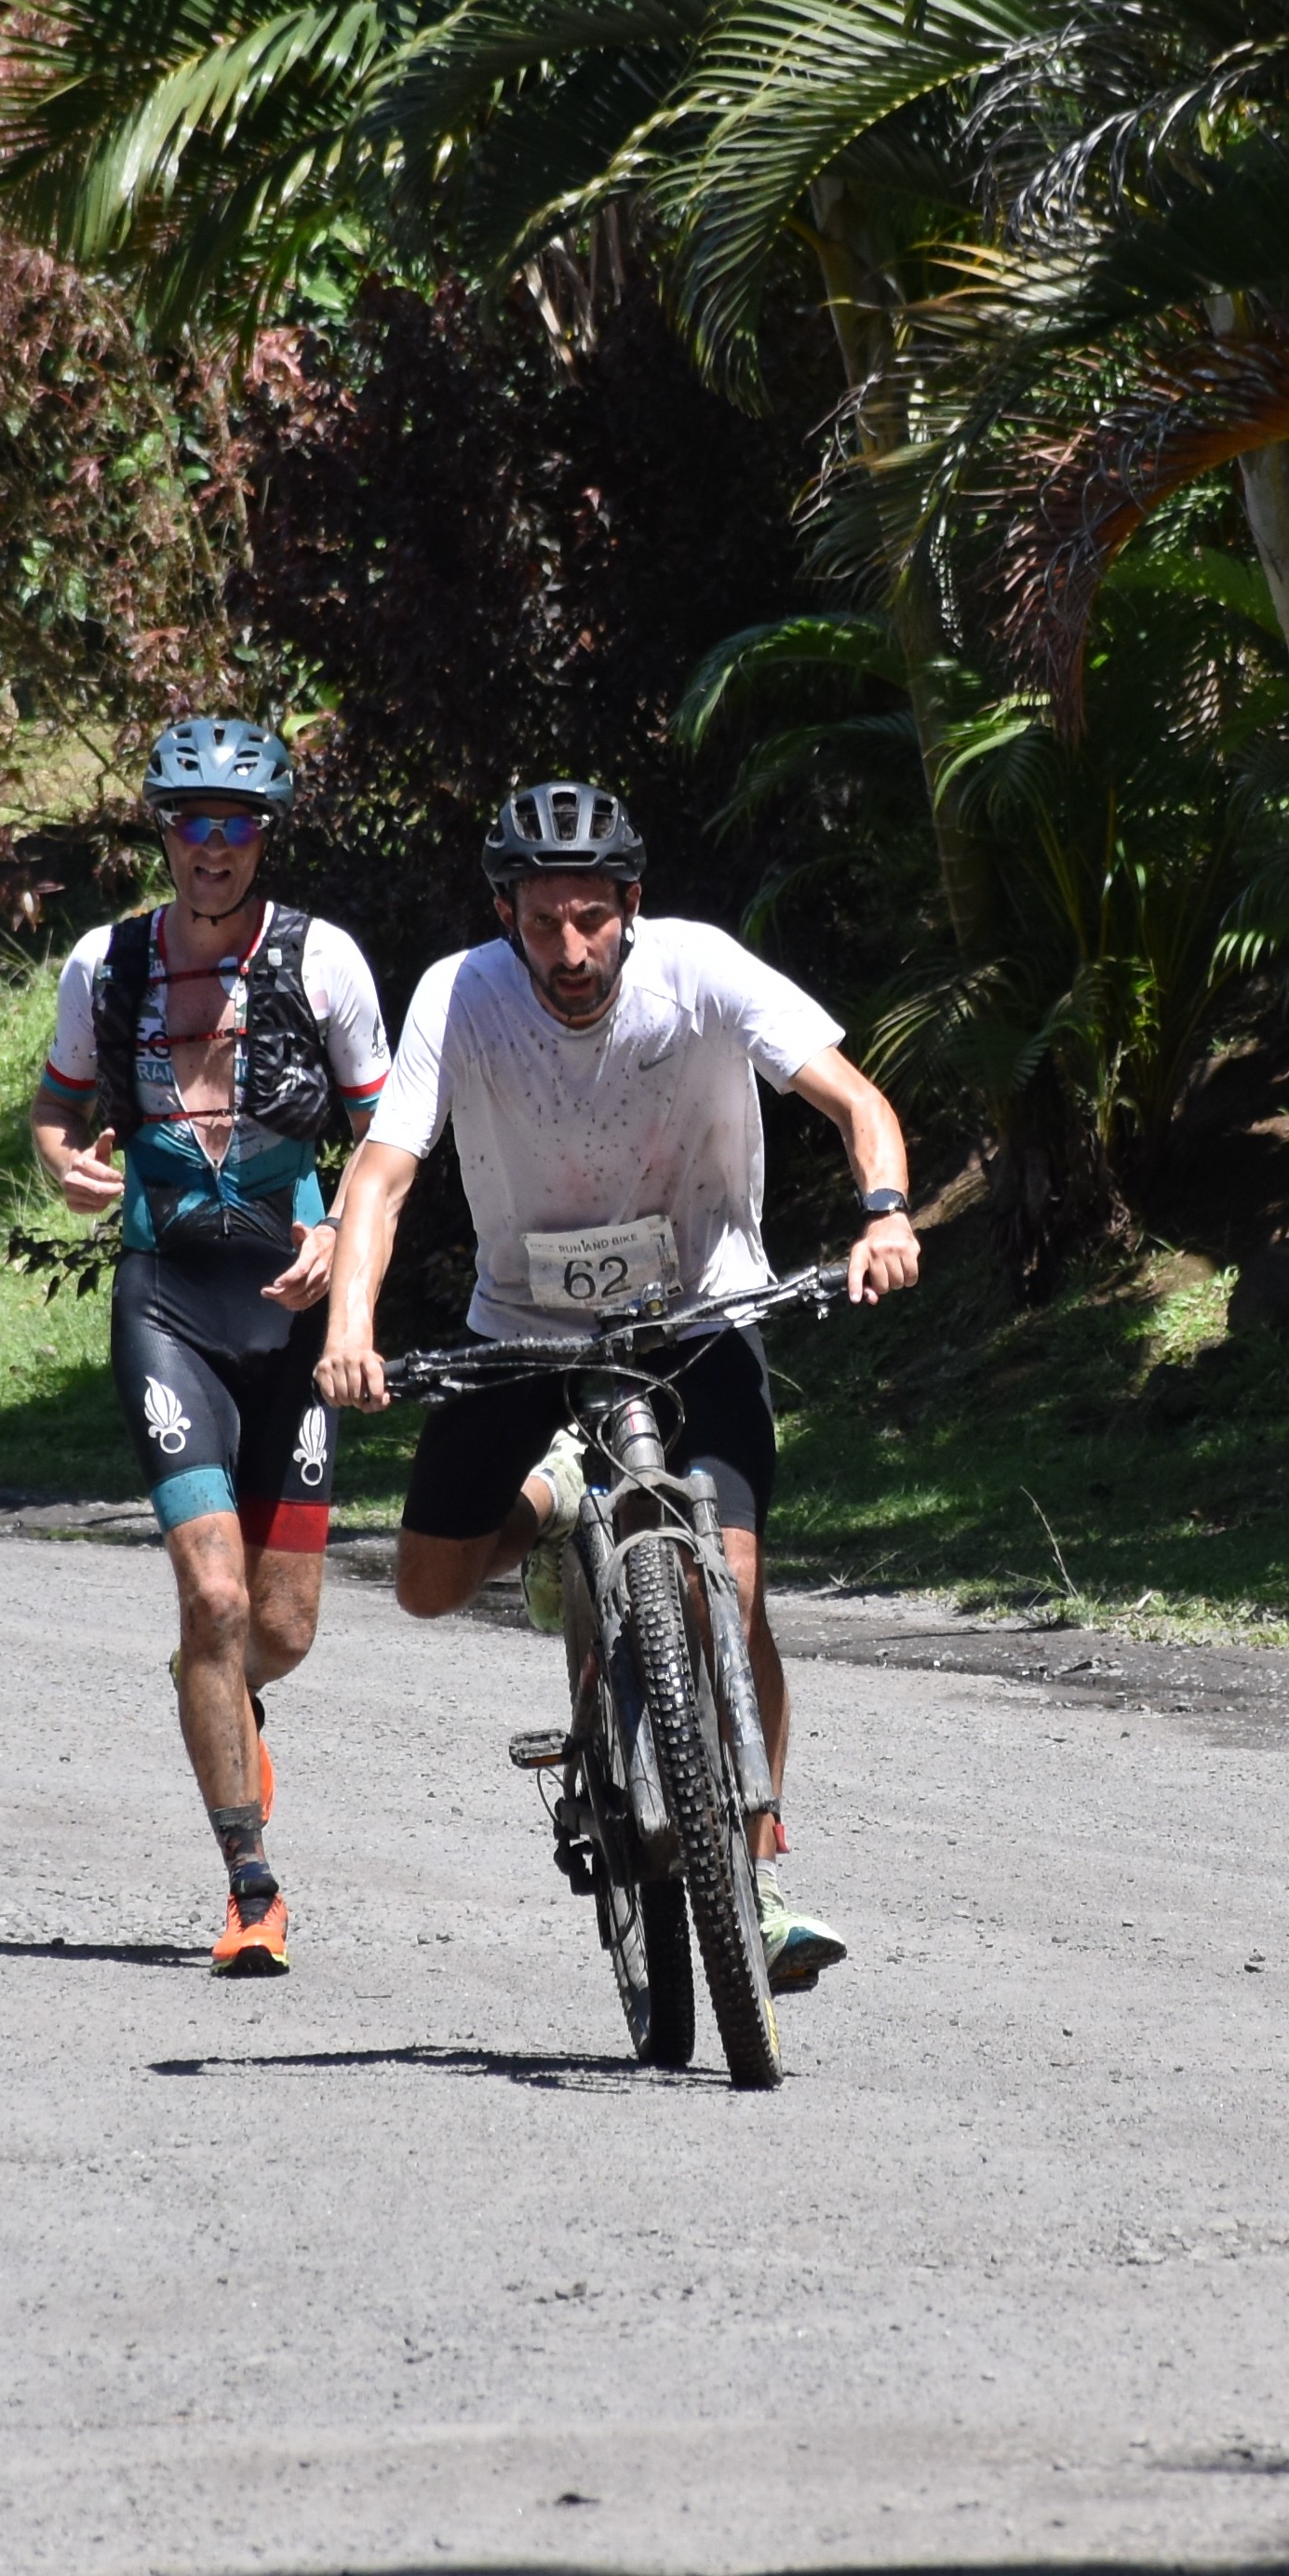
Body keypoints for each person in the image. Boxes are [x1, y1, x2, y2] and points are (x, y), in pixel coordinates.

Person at [316, 779, 923, 1994]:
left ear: (631, 904)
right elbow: (382, 1175)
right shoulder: (462, 995)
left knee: (733, 1592)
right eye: (543, 923)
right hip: (525, 1333)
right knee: (431, 1586)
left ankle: (758, 1881)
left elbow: (855, 1100)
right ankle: (552, 1513)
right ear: (505, 914)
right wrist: (350, 1323)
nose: (571, 950)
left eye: (592, 917)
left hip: (700, 1318)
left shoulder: (699, 971)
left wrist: (885, 1213)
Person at [29, 718, 391, 1976]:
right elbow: (55, 1103)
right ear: (163, 832)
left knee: (277, 1632)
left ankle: (224, 1689)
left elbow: (386, 1140)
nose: (213, 849)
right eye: (193, 824)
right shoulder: (106, 963)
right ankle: (249, 1884)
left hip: (289, 1326)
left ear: (265, 837)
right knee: (214, 1596)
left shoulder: (322, 960)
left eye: (236, 827)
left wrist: (342, 1233)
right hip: (168, 1307)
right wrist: (66, 1163)